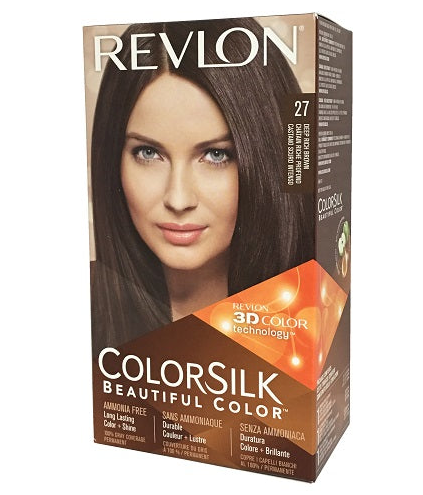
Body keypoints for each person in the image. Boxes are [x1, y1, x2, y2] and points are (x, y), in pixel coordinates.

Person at [90, 18, 314, 354]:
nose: (178, 199)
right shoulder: (84, 314)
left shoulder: (313, 322)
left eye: (216, 155)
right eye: (148, 153)